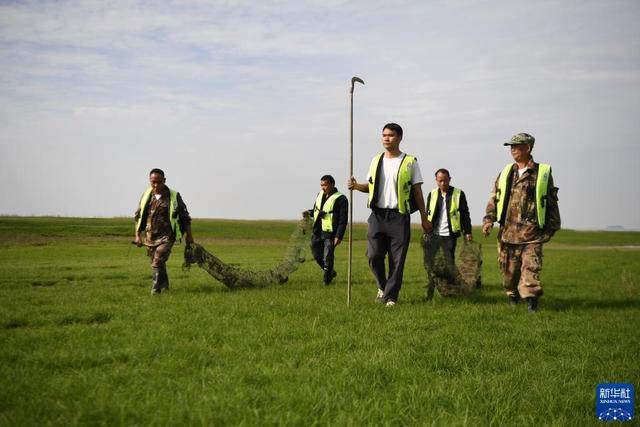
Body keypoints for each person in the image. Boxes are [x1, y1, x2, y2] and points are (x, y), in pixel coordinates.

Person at [348, 123, 431, 307]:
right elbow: (370, 187)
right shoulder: (376, 160)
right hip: (377, 215)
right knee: (373, 255)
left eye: (391, 135)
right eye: (384, 135)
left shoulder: (410, 162)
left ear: (400, 138)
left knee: (397, 260)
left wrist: (424, 218)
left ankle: (391, 297)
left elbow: (417, 192)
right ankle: (382, 286)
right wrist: (356, 186)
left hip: (399, 217)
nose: (386, 138)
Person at [482, 133, 560, 312]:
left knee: (530, 268)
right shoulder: (506, 173)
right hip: (507, 234)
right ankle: (512, 295)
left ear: (528, 148)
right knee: (508, 275)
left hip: (532, 234)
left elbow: (550, 202)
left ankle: (532, 303)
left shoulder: (541, 173)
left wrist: (551, 228)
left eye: (516, 146)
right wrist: (488, 220)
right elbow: (495, 198)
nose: (512, 149)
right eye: (511, 146)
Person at [134, 168, 194, 294]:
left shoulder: (174, 196)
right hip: (150, 237)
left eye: (159, 182)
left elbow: (185, 217)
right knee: (158, 262)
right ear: (150, 181)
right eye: (153, 182)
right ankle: (165, 287)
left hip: (167, 236)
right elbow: (138, 217)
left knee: (158, 258)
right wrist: (137, 236)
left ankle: (155, 290)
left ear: (164, 180)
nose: (156, 185)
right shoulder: (146, 195)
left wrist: (189, 235)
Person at [425, 168, 473, 283]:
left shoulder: (458, 194)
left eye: (445, 180)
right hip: (434, 233)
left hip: (450, 234)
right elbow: (427, 213)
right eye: (440, 181)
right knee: (433, 260)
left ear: (449, 179)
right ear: (436, 180)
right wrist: (426, 231)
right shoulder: (432, 194)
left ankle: (451, 284)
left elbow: (465, 214)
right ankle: (435, 282)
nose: (443, 183)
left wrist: (468, 231)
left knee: (449, 260)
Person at [308, 175, 348, 285]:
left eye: (325, 185)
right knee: (316, 255)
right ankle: (331, 272)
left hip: (330, 232)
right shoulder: (319, 195)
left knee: (328, 256)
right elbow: (316, 210)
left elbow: (343, 219)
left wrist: (339, 236)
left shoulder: (341, 199)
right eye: (321, 185)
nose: (323, 187)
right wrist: (309, 212)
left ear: (332, 184)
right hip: (317, 230)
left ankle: (326, 281)